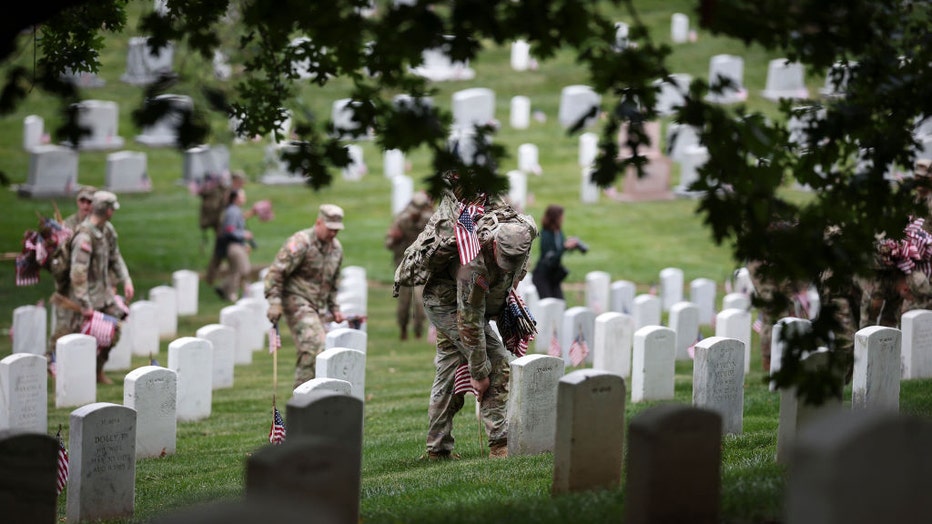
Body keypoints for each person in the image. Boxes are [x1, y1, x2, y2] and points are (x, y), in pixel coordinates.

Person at [422, 191, 537, 460]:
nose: (507, 266)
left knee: (449, 370)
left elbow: (515, 275)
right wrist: (478, 371)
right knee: (495, 360)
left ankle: (437, 449)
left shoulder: (524, 235)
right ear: (495, 245)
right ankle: (500, 443)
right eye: (503, 259)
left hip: (475, 306)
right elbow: (469, 319)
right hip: (446, 303)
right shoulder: (474, 263)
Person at [264, 203, 345, 389]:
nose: (333, 234)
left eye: (337, 230)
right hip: (296, 299)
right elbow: (276, 272)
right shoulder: (301, 242)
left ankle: (315, 397)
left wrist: (335, 309)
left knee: (323, 352)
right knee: (313, 344)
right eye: (330, 229)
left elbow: (333, 283)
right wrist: (274, 302)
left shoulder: (336, 249)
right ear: (319, 223)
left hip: (318, 306)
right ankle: (301, 397)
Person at [68, 191, 134, 384]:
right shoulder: (85, 237)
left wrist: (126, 280)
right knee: (80, 339)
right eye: (112, 208)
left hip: (104, 296)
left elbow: (115, 257)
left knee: (113, 331)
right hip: (87, 298)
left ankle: (98, 370)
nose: (113, 211)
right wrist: (85, 304)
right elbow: (78, 274)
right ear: (107, 210)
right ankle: (77, 377)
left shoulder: (107, 230)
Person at [47, 185, 97, 365]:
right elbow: (57, 259)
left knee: (90, 331)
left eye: (89, 201)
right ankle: (51, 363)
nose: (85, 205)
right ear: (77, 202)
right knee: (63, 329)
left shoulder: (99, 226)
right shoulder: (67, 226)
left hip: (92, 286)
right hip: (68, 287)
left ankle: (89, 368)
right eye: (82, 201)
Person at [385, 191, 435, 340]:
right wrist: (395, 239)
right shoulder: (400, 221)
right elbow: (388, 244)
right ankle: (403, 328)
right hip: (404, 266)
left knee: (420, 301)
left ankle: (419, 330)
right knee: (404, 303)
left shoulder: (429, 221)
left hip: (421, 266)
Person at [203, 170, 249, 287]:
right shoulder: (228, 194)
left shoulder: (230, 193)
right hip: (225, 230)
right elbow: (229, 215)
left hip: (227, 229)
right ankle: (213, 279)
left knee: (224, 255)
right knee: (220, 255)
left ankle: (221, 280)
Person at [531, 204, 581, 299]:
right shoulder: (546, 234)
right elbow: (550, 258)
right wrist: (564, 247)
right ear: (555, 217)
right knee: (548, 303)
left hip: (554, 275)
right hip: (543, 275)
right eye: (561, 216)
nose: (563, 218)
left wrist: (570, 246)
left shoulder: (559, 232)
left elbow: (559, 250)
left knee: (560, 304)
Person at [215, 187, 254, 302]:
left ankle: (226, 290)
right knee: (244, 270)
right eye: (242, 196)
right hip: (234, 246)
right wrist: (243, 234)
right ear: (236, 198)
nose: (244, 198)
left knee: (235, 271)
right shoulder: (233, 212)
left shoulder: (235, 210)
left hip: (237, 245)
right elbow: (229, 229)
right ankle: (233, 293)